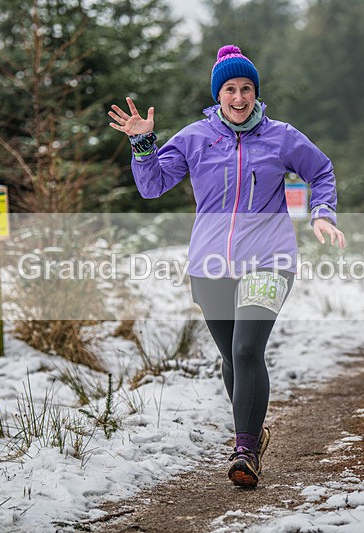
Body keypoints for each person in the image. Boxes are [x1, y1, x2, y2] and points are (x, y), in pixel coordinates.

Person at [108, 45, 345, 488]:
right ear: (219, 95)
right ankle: (251, 439)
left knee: (245, 350)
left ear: (257, 93)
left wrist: (323, 213)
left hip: (269, 262)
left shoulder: (282, 136)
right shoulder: (196, 137)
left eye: (247, 88)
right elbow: (154, 185)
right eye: (231, 89)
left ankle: (244, 448)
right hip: (211, 266)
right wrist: (143, 144)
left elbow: (322, 172)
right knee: (232, 359)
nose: (239, 98)